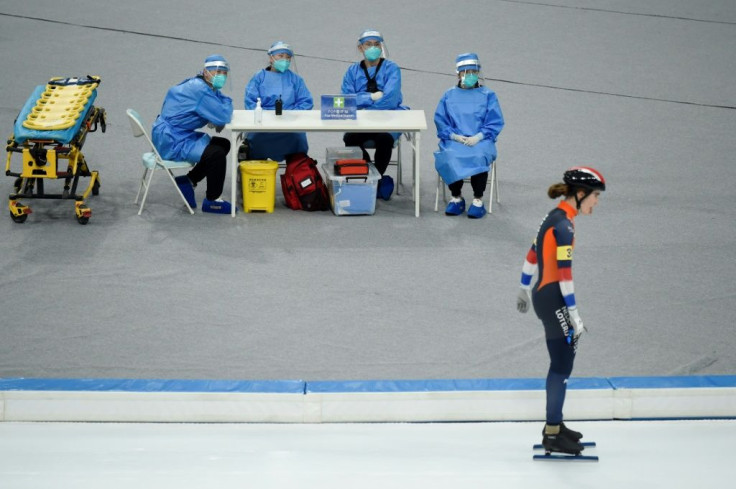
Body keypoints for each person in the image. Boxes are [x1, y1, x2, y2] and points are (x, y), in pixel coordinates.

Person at [516, 167, 607, 454]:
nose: (596, 202)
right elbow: (565, 276)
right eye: (595, 196)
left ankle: (556, 424)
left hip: (544, 294)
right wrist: (575, 314)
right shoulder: (565, 226)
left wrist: (523, 286)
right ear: (580, 194)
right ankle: (552, 433)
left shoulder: (554, 216)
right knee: (562, 364)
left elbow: (533, 252)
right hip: (554, 297)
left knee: (562, 361)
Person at [152, 54, 234, 214]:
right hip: (171, 140)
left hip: (178, 133)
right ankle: (213, 200)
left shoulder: (202, 84)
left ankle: (188, 180)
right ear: (205, 72)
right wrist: (223, 106)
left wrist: (215, 109)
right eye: (218, 72)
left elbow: (218, 102)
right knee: (216, 154)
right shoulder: (200, 90)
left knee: (223, 144)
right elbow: (224, 115)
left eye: (224, 73)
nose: (222, 76)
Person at [434, 53, 504, 219]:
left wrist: (479, 137)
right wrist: (454, 136)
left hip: (481, 140)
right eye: (466, 72)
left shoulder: (488, 95)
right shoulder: (449, 96)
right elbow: (441, 121)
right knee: (450, 156)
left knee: (479, 156)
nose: (470, 75)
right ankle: (456, 196)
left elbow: (494, 122)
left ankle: (478, 199)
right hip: (455, 140)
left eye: (473, 71)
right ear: (458, 73)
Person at [341, 29, 409, 201]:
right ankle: (371, 176)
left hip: (387, 119)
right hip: (360, 122)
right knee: (350, 139)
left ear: (381, 46)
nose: (373, 48)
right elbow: (346, 100)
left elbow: (391, 99)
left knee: (385, 139)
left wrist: (364, 106)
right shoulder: (352, 72)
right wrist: (370, 97)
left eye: (377, 44)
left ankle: (374, 178)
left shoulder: (392, 68)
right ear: (360, 48)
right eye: (368, 44)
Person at [243, 41, 314, 162]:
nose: (284, 60)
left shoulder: (295, 79)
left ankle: (295, 172)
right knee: (256, 138)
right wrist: (266, 116)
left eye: (288, 57)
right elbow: (250, 102)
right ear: (271, 58)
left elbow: (306, 101)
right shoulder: (259, 78)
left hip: (290, 125)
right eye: (280, 56)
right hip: (263, 125)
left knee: (298, 137)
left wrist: (290, 115)